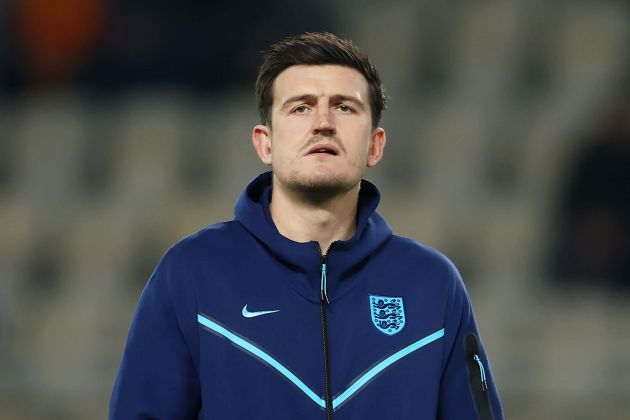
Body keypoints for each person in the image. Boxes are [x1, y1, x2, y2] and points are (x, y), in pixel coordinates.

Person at [110, 32, 504, 420]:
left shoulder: (431, 285)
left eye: (345, 107)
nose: (323, 123)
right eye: (300, 108)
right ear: (265, 143)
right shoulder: (193, 273)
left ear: (375, 145)